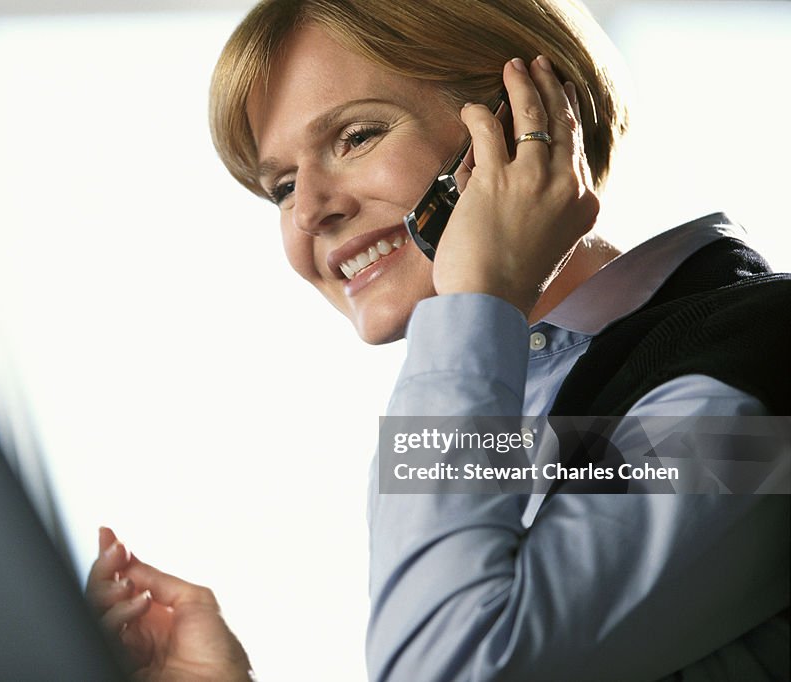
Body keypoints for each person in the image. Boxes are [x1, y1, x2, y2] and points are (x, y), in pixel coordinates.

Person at [86, 1, 790, 680]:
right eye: (282, 186)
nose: (309, 212)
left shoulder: (758, 365)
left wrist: (477, 301)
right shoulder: (498, 403)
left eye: (356, 136)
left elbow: (451, 668)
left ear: (525, 118)